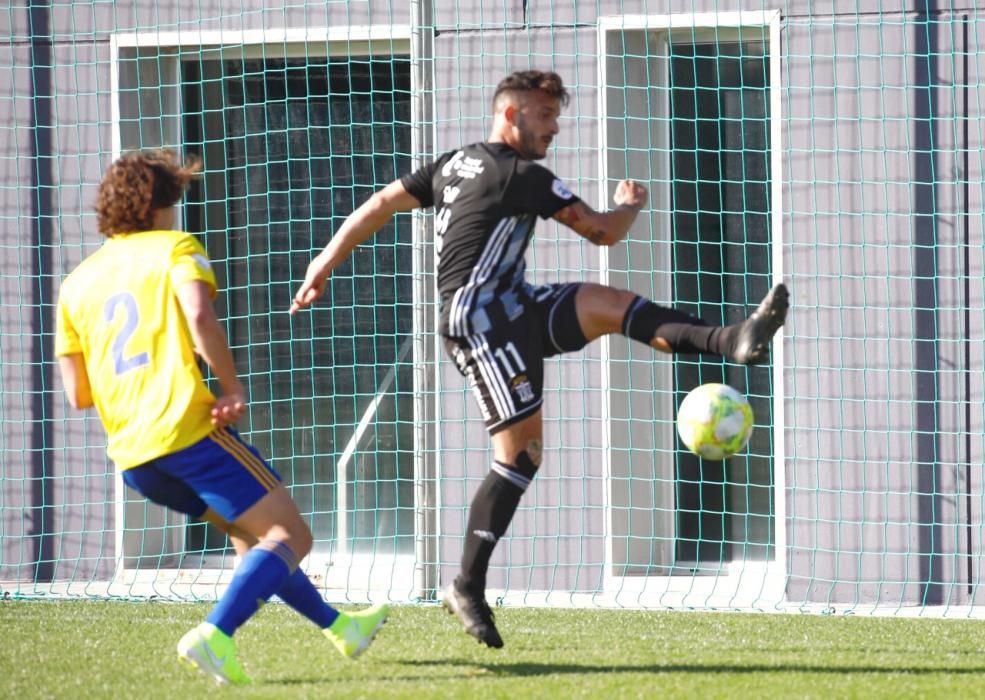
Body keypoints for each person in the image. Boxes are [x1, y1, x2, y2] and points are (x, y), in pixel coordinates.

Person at [290, 70, 788, 649]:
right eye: (545, 116)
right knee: (522, 453)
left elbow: (381, 202)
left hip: (513, 305)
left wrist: (323, 261)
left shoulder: (454, 163)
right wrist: (628, 206)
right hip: (482, 321)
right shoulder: (520, 174)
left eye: (556, 116)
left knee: (605, 303)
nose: (554, 128)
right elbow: (602, 232)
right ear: (512, 114)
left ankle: (734, 341)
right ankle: (466, 584)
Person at [55, 150, 389, 685]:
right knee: (291, 534)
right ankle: (214, 634)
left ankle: (340, 627)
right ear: (161, 204)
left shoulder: (78, 283)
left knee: (253, 538)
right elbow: (198, 314)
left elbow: (78, 393)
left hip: (137, 459)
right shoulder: (175, 247)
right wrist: (230, 385)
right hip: (187, 431)